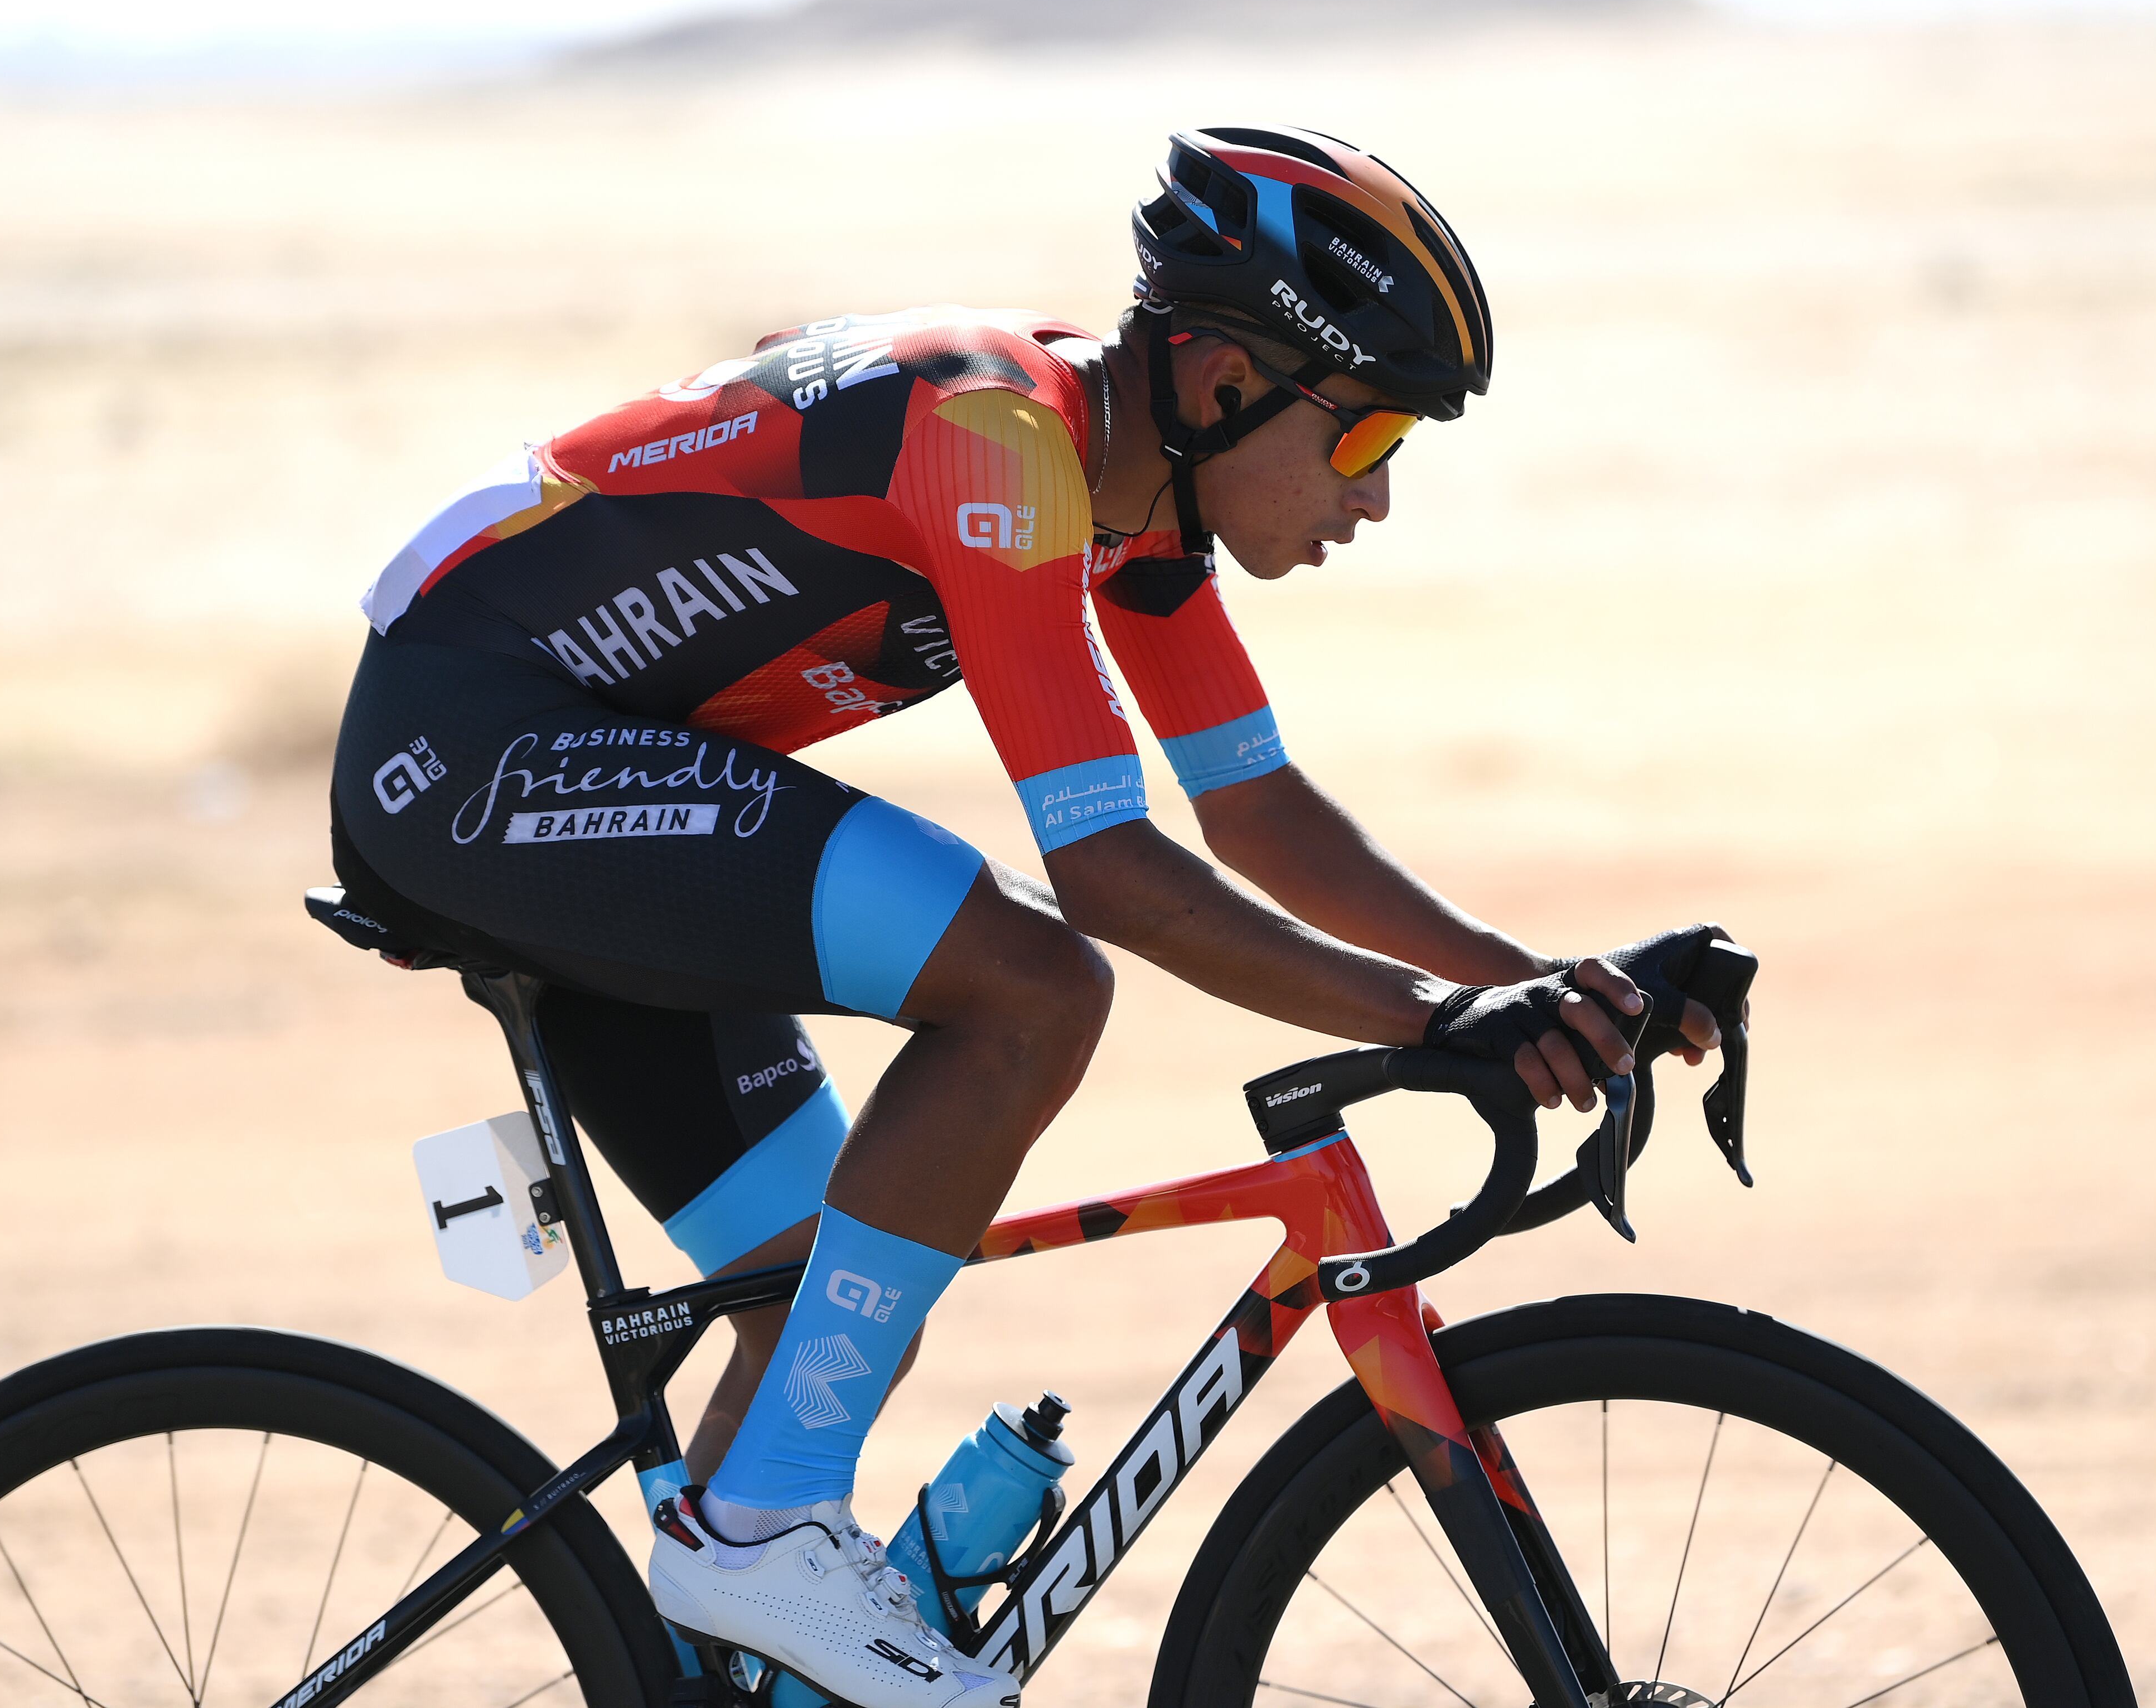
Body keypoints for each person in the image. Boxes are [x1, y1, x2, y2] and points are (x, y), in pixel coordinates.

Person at [328, 125, 1727, 1705]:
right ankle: (762, 1531)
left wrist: (1547, 989)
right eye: (1370, 432)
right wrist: (1429, 1021)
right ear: (1221, 382)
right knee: (1035, 985)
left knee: (825, 1307)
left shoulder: (1134, 507)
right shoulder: (1000, 433)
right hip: (472, 747)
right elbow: (1111, 876)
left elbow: (1261, 820)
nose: (1384, 494)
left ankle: (725, 1613)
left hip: (576, 779)